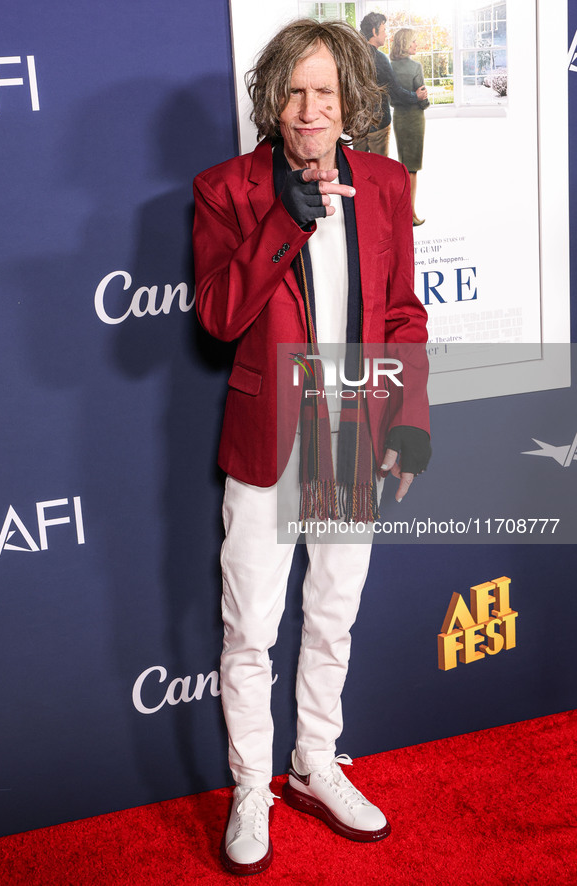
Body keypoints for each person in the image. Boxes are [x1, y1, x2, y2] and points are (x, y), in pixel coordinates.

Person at [193, 18, 430, 877]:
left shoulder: (385, 183)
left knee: (331, 617)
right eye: (294, 90)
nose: (308, 108)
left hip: (351, 433)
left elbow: (402, 313)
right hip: (268, 436)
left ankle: (314, 763)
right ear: (271, 97)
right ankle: (251, 783)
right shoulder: (227, 188)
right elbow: (217, 317)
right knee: (251, 628)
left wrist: (409, 420)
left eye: (325, 91)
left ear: (349, 101)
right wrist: (279, 228)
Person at [353, 12, 427, 158]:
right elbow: (396, 92)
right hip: (378, 125)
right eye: (384, 29)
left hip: (358, 125)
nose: (386, 34)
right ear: (374, 31)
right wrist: (416, 96)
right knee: (380, 169)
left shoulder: (354, 56)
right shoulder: (379, 58)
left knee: (358, 168)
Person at [390, 28, 430, 225]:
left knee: (403, 165)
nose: (416, 45)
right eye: (413, 42)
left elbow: (391, 96)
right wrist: (425, 102)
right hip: (414, 119)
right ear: (405, 44)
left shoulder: (389, 67)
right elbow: (421, 95)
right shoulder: (416, 67)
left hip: (398, 118)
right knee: (412, 168)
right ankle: (410, 214)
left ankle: (402, 211)